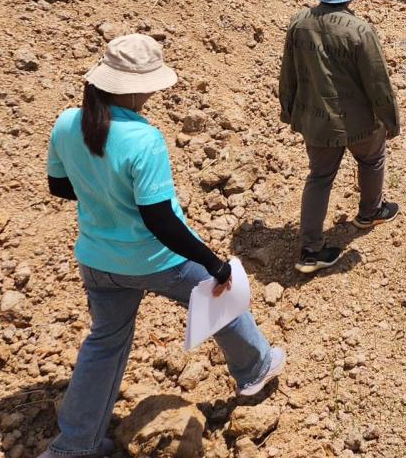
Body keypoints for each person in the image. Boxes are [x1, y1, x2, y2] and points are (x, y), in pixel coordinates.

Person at [40, 34, 284, 458]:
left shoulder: (66, 122)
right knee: (221, 302)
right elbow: (160, 219)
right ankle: (255, 369)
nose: (155, 91)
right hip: (155, 258)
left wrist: (105, 197)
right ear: (133, 87)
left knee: (104, 344)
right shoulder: (143, 139)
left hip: (97, 261)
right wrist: (214, 264)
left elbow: (59, 187)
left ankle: (75, 444)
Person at [279, 0, 402, 274]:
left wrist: (288, 109)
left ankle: (309, 251)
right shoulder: (360, 31)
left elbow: (288, 72)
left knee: (319, 178)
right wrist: (390, 119)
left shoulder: (298, 23)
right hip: (359, 121)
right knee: (372, 160)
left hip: (317, 122)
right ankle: (370, 212)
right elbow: (377, 81)